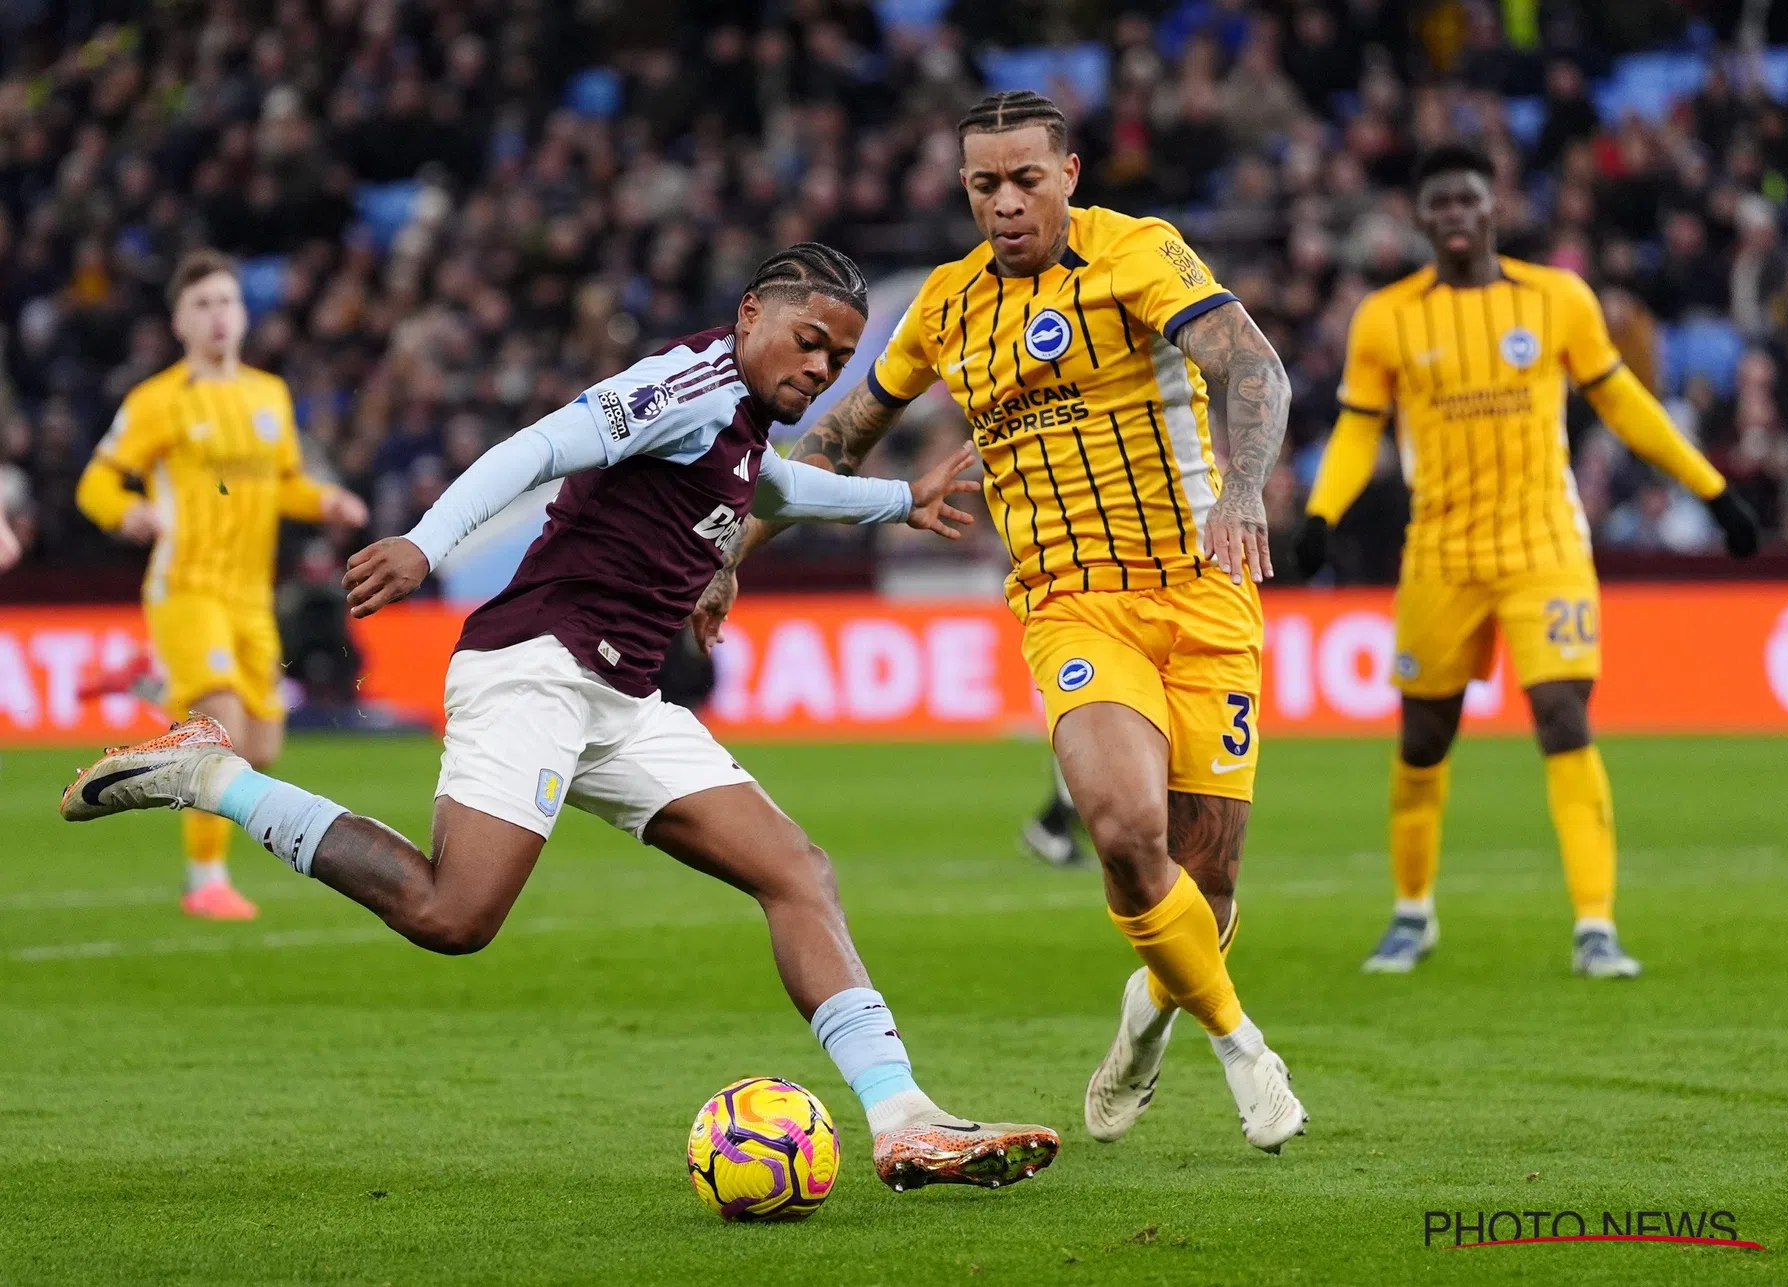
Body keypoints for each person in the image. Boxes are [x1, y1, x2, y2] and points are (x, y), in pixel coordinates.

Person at [61, 244, 1060, 1194]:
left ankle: (904, 1119)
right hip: (534, 669)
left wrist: (894, 502)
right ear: (751, 313)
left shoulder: (744, 420)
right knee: (453, 917)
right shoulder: (684, 387)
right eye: (808, 341)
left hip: (622, 701)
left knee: (795, 872)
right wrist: (423, 544)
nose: (820, 368)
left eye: (839, 358)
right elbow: (538, 446)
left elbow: (777, 484)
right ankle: (211, 777)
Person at [695, 94, 1308, 1155]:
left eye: (1026, 178)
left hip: (1201, 591)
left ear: (1068, 174)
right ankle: (1241, 1045)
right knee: (1121, 830)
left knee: (1202, 892)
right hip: (1069, 603)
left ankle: (1148, 1016)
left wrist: (1243, 484)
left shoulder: (1140, 256)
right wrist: (724, 559)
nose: (1006, 202)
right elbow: (837, 443)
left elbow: (1248, 365)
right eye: (984, 184)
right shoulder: (944, 306)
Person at [1294, 142, 1761, 978]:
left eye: (1468, 199)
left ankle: (1595, 925)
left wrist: (1712, 488)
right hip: (1440, 549)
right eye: (1438, 203)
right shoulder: (1386, 316)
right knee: (1424, 736)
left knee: (1562, 715)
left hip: (1544, 540)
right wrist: (1321, 512)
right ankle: (1411, 911)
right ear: (1420, 215)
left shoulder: (1555, 299)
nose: (1455, 216)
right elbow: (1359, 425)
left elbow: (1621, 399)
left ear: (1492, 206)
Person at [74, 249, 368, 920]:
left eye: (226, 302)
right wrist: (128, 512)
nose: (217, 316)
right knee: (221, 731)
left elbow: (282, 482)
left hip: (250, 595)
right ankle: (203, 878)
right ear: (179, 322)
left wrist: (324, 501)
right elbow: (94, 481)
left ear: (243, 313)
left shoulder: (269, 394)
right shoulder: (157, 401)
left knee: (262, 748)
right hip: (186, 587)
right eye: (201, 304)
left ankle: (146, 684)